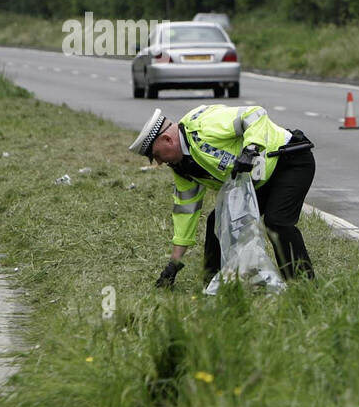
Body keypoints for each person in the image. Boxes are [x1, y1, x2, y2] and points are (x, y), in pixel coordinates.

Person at [129, 104, 316, 288]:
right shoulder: (183, 168)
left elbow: (255, 113)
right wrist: (173, 264)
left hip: (290, 160)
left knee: (277, 222)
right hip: (259, 180)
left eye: (157, 155)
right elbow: (186, 214)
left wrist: (251, 149)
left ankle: (304, 286)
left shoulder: (203, 125)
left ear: (167, 140)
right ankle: (213, 287)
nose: (160, 162)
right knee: (217, 222)